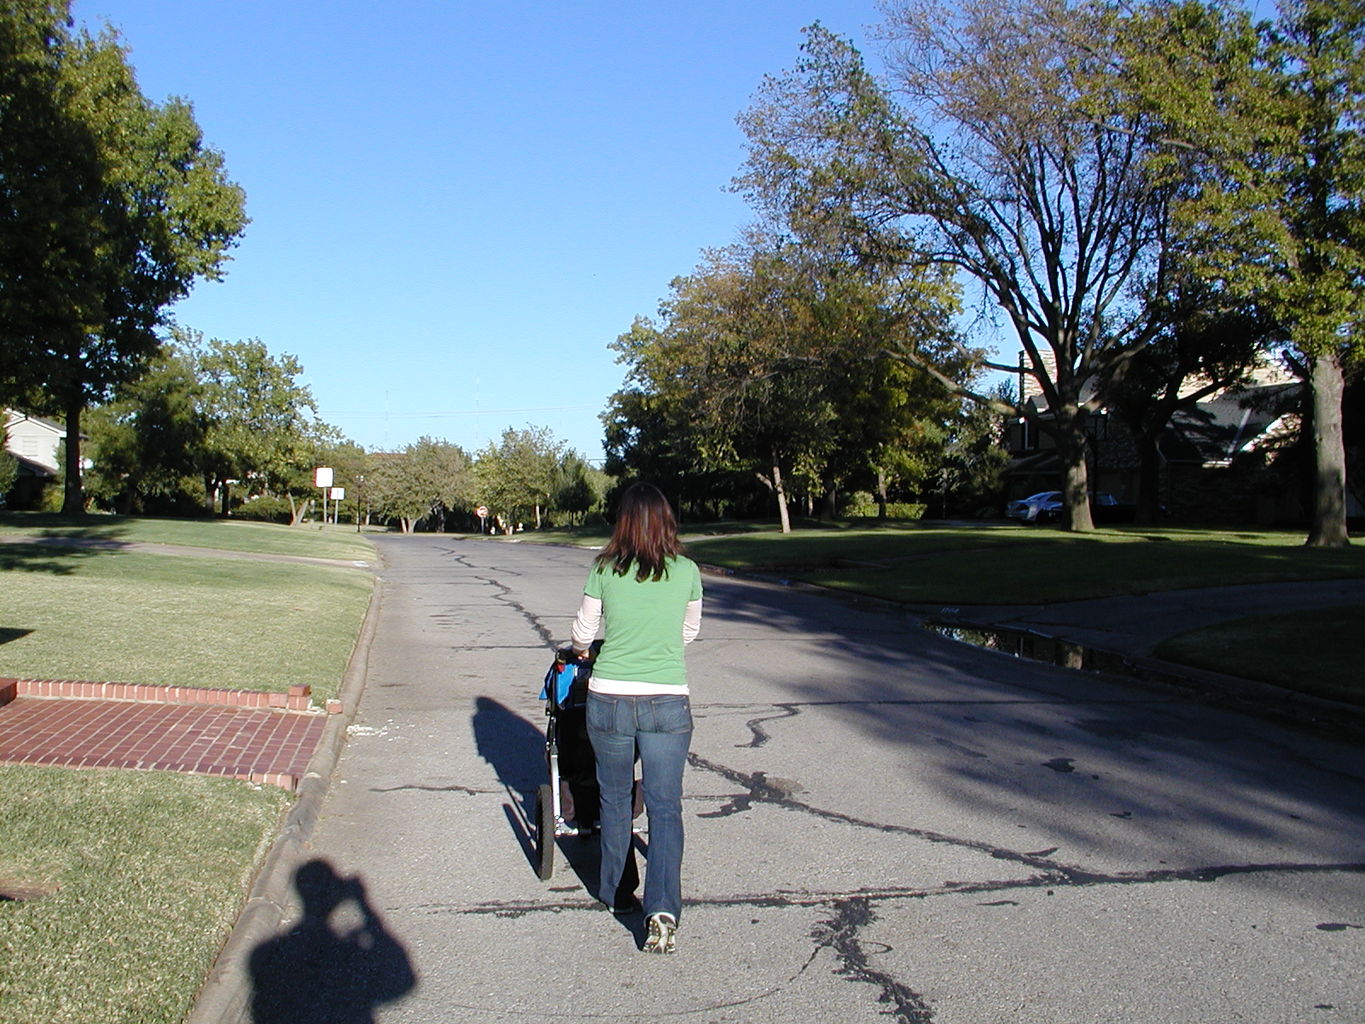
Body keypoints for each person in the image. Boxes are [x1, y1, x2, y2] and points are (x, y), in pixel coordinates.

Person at [570, 481, 702, 954]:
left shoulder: (604, 567)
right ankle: (663, 907)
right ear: (667, 520)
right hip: (667, 699)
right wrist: (659, 649)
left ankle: (618, 892)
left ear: (622, 521)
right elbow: (690, 630)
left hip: (609, 698)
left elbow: (584, 631)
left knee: (615, 798)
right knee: (665, 806)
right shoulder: (686, 570)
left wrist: (583, 650)